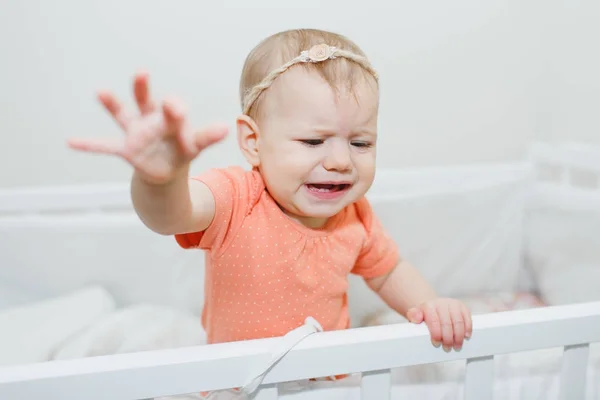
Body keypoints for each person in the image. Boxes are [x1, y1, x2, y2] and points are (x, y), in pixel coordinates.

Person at [68, 29, 472, 356]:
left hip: (327, 382)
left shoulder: (356, 216)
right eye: (314, 141)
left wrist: (430, 306)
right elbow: (170, 216)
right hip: (242, 382)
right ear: (253, 142)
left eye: (361, 143)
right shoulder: (238, 198)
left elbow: (388, 271)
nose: (340, 161)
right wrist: (161, 180)